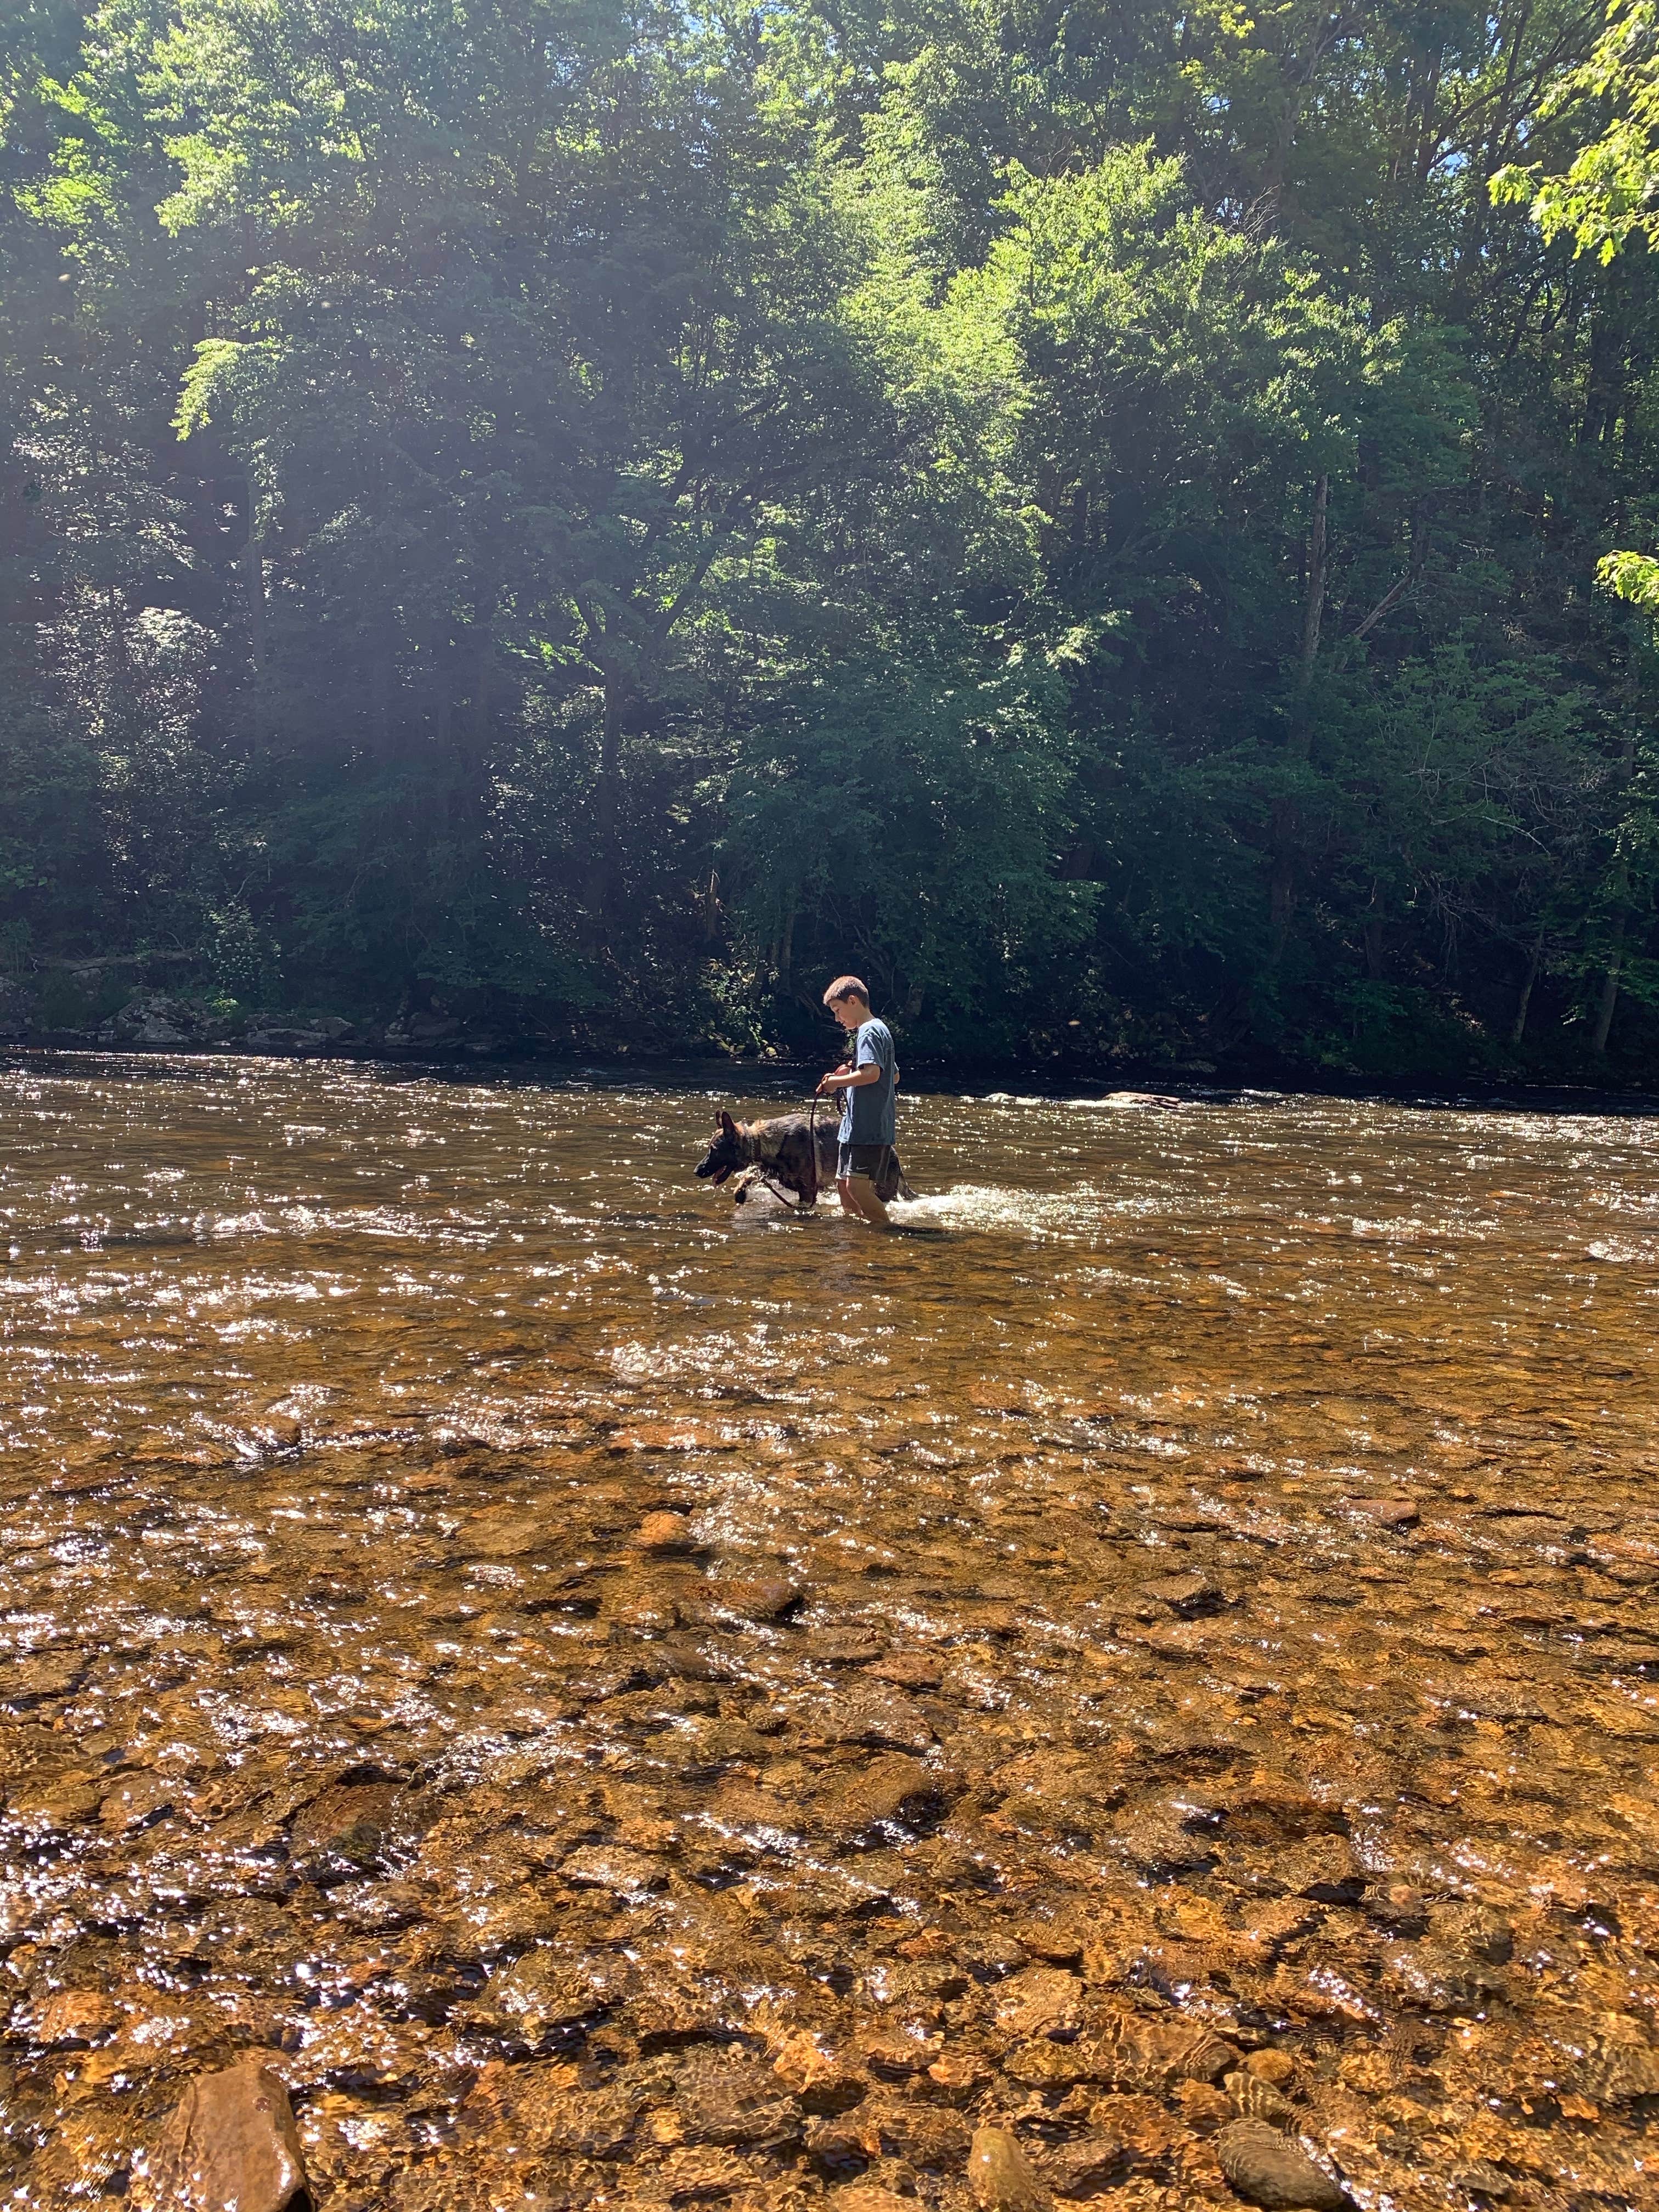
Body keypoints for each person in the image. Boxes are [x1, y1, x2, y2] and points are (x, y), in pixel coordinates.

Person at [816, 975, 898, 1228]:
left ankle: (886, 1233)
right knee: (843, 1185)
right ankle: (857, 1236)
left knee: (857, 1187)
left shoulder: (869, 1031)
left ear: (853, 1001)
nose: (837, 1019)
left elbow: (873, 1074)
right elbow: (894, 1075)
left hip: (868, 1129)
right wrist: (850, 1070)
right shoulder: (878, 1029)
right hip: (853, 1129)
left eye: (838, 1011)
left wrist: (835, 1083)